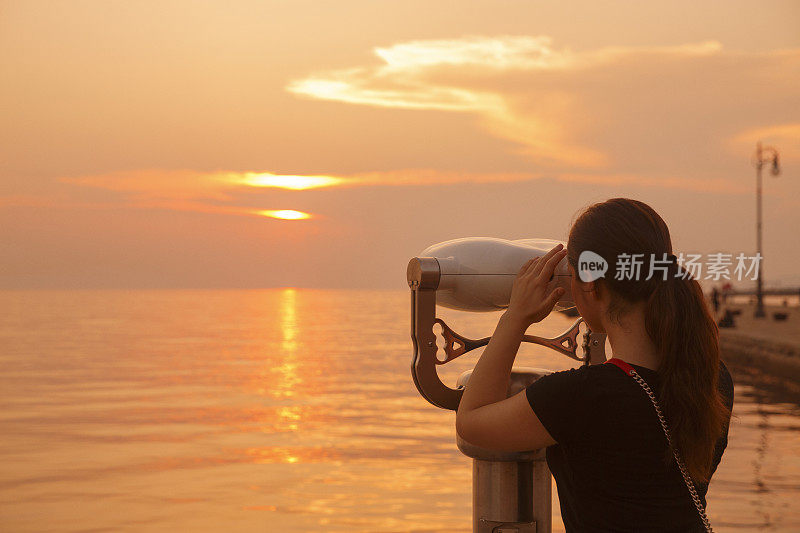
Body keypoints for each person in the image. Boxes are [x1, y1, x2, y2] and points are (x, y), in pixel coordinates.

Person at [455, 198, 734, 532]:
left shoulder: (578, 398)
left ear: (590, 283)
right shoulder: (714, 379)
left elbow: (471, 421)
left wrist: (516, 316)